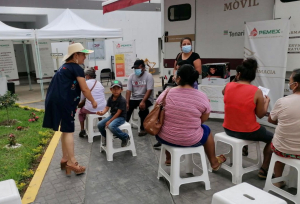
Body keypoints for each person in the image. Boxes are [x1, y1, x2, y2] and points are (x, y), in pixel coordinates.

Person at [155, 64, 226, 169]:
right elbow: (203, 119)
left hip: (163, 138)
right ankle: (214, 162)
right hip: (190, 140)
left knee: (168, 124)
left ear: (178, 78)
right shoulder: (201, 96)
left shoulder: (167, 92)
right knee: (206, 129)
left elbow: (157, 110)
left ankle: (169, 158)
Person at [43, 43, 97, 176]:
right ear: (76, 55)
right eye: (83, 54)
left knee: (65, 130)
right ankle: (72, 162)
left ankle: (65, 159)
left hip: (55, 101)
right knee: (69, 131)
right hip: (64, 103)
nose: (85, 57)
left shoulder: (64, 67)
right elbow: (84, 88)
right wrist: (93, 101)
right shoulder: (76, 68)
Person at [222, 58, 273, 179]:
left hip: (228, 128)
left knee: (245, 120)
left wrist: (236, 78)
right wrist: (266, 102)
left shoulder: (228, 86)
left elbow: (224, 92)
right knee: (273, 139)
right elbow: (260, 114)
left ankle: (244, 149)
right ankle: (264, 169)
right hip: (247, 131)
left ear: (239, 74)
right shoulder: (257, 91)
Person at [268, 69, 300, 188]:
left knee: (277, 146)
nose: (289, 83)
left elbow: (271, 120)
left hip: (283, 149)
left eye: (290, 81)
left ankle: (277, 179)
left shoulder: (283, 101)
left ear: (295, 85)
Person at [97, 80, 129, 147]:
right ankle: (107, 137)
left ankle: (125, 137)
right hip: (112, 115)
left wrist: (109, 121)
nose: (116, 90)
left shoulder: (122, 100)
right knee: (100, 124)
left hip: (121, 117)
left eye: (118, 89)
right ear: (111, 89)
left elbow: (118, 113)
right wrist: (102, 113)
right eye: (114, 89)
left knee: (111, 126)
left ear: (121, 90)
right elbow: (107, 107)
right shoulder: (110, 98)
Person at [126, 59, 154, 136]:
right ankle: (123, 126)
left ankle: (143, 128)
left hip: (147, 98)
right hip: (135, 98)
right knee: (126, 108)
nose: (136, 70)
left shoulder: (149, 76)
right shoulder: (131, 77)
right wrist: (127, 103)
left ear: (143, 68)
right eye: (135, 69)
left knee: (143, 108)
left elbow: (149, 90)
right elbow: (128, 91)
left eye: (138, 68)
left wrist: (143, 101)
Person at [78, 67, 106, 137]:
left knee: (81, 112)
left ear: (87, 75)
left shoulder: (85, 84)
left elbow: (82, 98)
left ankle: (82, 130)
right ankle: (101, 125)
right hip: (103, 107)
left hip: (91, 108)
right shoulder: (99, 83)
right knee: (98, 109)